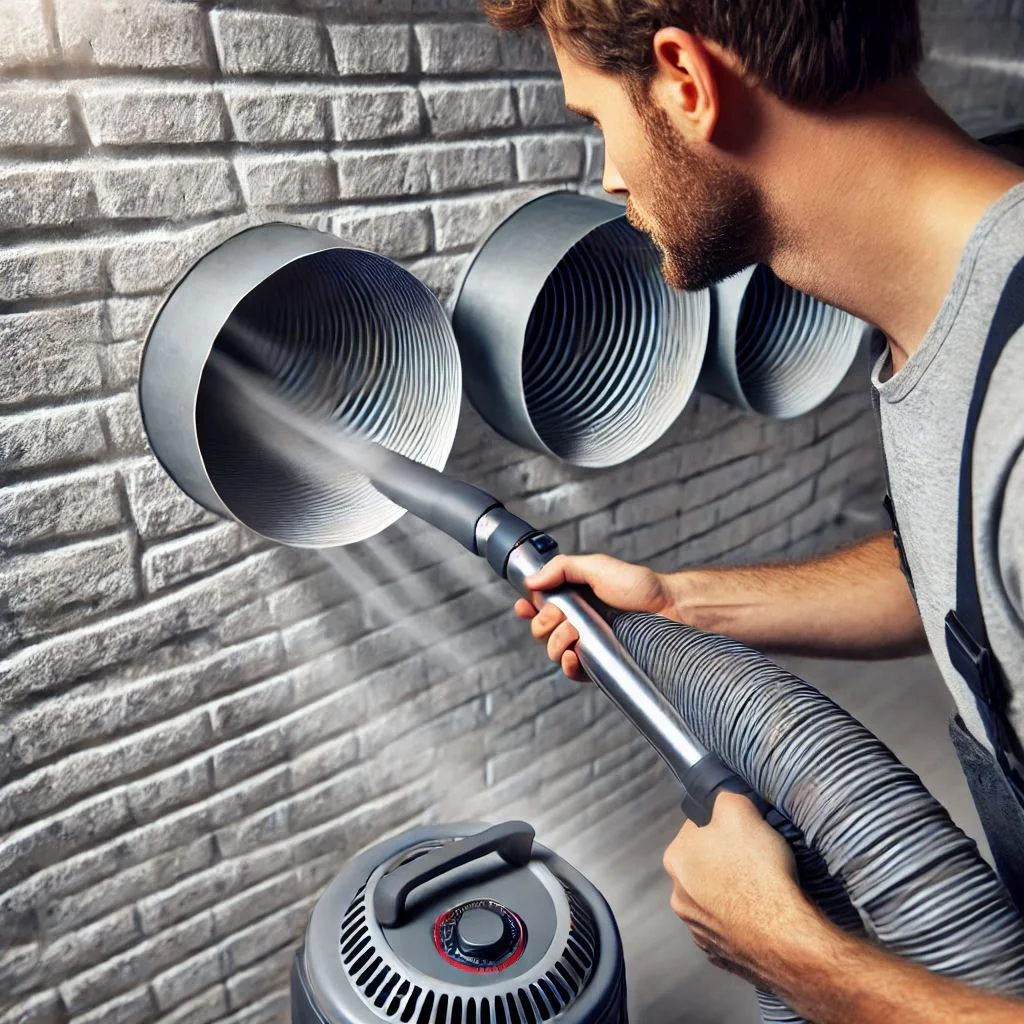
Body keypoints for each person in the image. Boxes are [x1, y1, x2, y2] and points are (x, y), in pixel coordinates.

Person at [481, 0, 1024, 1020]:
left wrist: (796, 954)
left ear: (689, 82)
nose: (604, 173)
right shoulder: (953, 310)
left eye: (595, 120)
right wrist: (678, 599)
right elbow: (965, 587)